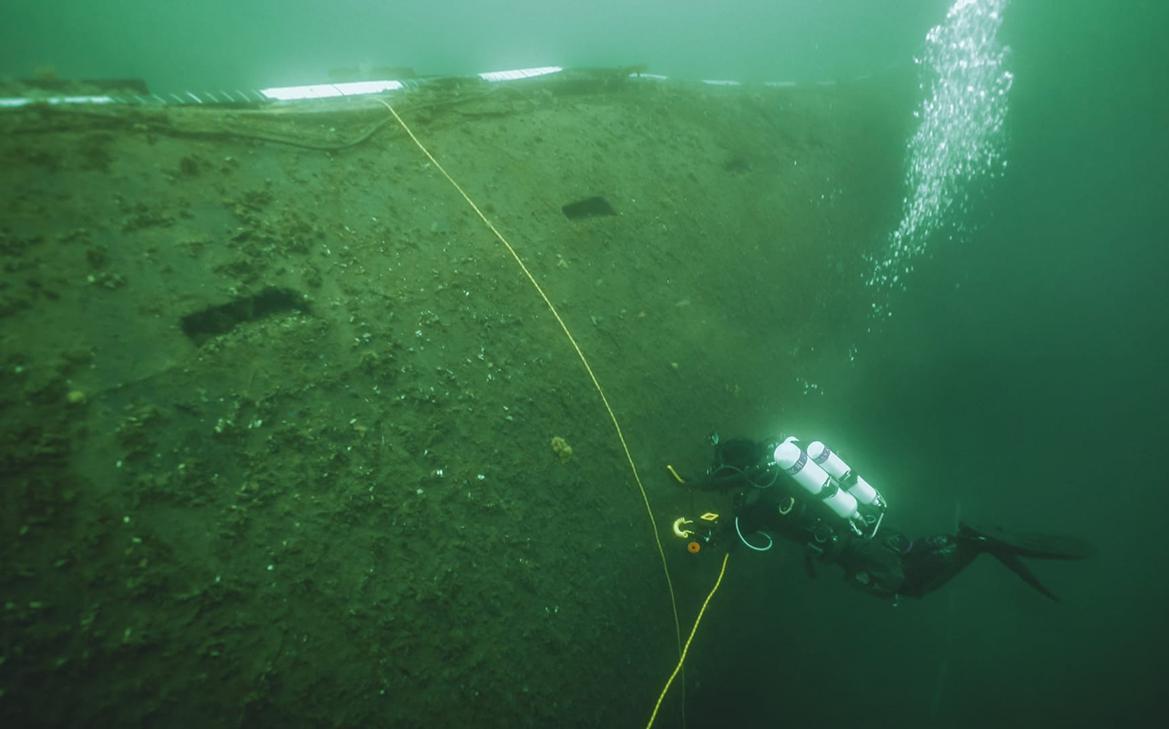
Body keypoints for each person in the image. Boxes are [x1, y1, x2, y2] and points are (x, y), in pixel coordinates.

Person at [672, 434, 1093, 601]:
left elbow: (735, 530)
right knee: (910, 556)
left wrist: (705, 537)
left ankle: (972, 543)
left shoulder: (758, 503)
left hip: (860, 550)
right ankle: (958, 542)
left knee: (910, 586)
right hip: (874, 528)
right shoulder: (781, 479)